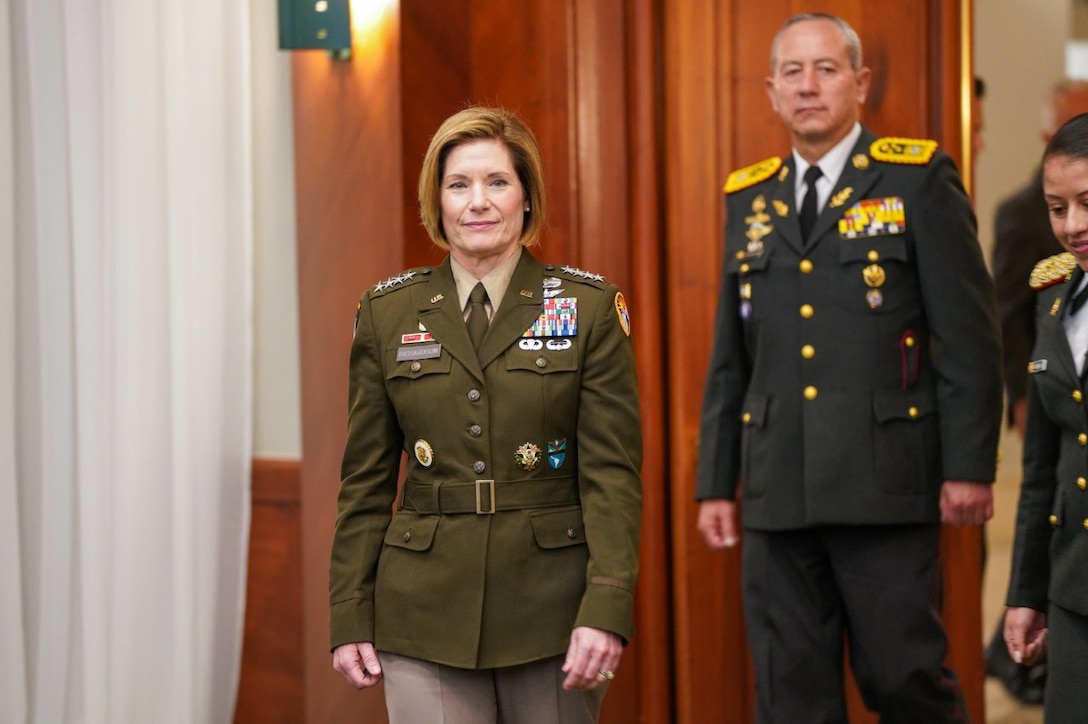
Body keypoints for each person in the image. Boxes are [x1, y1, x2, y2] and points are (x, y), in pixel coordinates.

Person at [695, 13, 1002, 722]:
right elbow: (730, 353)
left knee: (904, 680)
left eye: (826, 70)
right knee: (790, 694)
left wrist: (970, 466)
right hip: (778, 488)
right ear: (771, 91)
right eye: (793, 73)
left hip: (884, 483)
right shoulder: (750, 197)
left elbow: (968, 335)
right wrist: (717, 480)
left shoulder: (916, 178)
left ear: (860, 84)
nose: (809, 87)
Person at [327, 106, 643, 723]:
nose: (478, 202)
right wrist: (348, 611)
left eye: (497, 182)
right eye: (458, 184)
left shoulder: (587, 308)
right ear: (437, 201)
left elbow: (613, 478)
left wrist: (607, 606)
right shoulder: (388, 313)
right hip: (422, 608)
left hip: (552, 610)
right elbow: (363, 482)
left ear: (527, 198)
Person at [984, 79, 1088, 706]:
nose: (1072, 225)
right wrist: (1025, 592)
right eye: (1057, 208)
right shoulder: (1053, 299)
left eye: (1086, 202)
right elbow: (1042, 475)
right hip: (1074, 592)